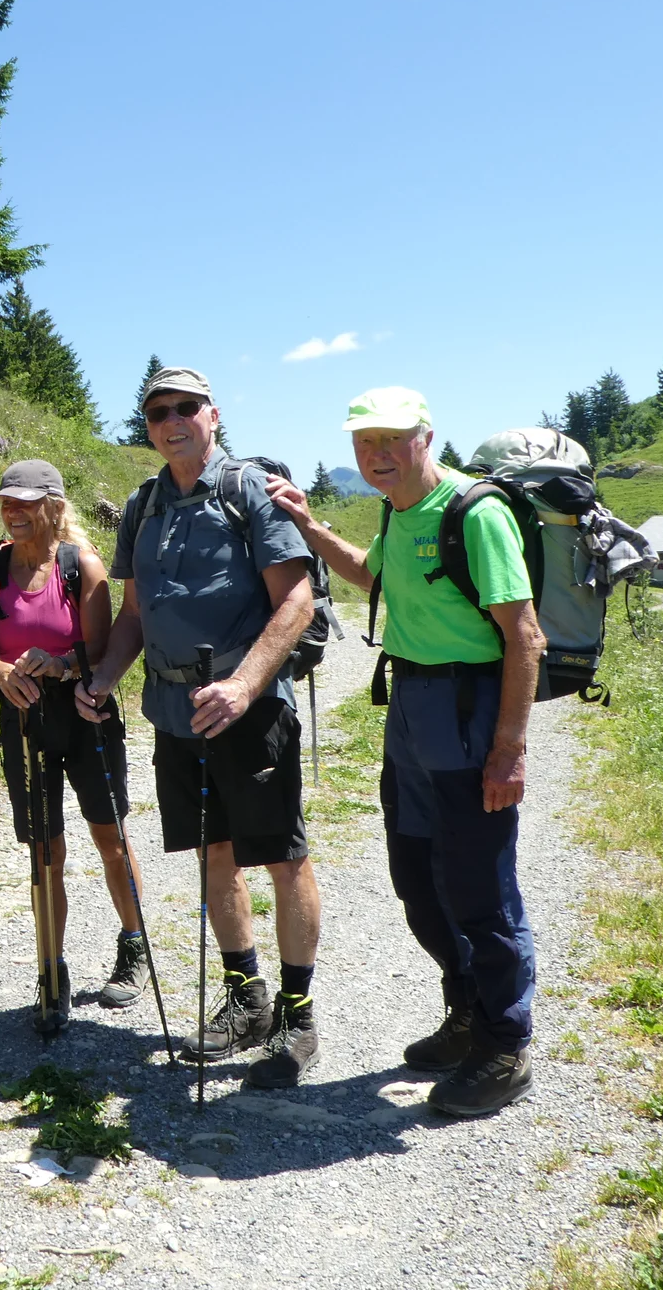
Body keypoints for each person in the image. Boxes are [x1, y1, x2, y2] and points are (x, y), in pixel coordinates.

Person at [266, 388, 543, 1116]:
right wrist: (309, 525)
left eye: (391, 440)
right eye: (365, 443)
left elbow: (525, 636)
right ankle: (466, 1014)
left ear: (426, 436)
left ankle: (504, 1047)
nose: (377, 455)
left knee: (481, 889)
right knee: (419, 877)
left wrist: (509, 749)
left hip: (467, 711)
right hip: (414, 712)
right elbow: (373, 575)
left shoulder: (473, 513)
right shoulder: (398, 509)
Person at [76, 365, 324, 1088]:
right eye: (158, 413)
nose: (172, 421)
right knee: (214, 856)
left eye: (186, 408)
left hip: (250, 712)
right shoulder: (143, 504)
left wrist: (246, 685)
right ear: (147, 427)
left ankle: (297, 1013)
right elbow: (132, 617)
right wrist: (102, 679)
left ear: (212, 414)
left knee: (283, 859)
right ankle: (246, 998)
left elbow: (298, 601)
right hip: (175, 715)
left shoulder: (250, 490)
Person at [0, 460, 151, 1032]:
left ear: (52, 506)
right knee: (45, 852)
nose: (12, 512)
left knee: (110, 837)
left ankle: (134, 942)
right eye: (6, 503)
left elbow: (102, 649)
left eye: (23, 503)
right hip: (24, 723)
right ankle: (52, 966)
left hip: (86, 717)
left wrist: (63, 664)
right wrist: (3, 674)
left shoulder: (81, 566)